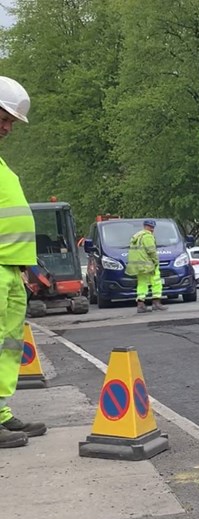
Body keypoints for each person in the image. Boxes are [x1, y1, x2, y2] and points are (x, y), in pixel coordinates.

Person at [0, 75, 48, 447]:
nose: (7, 128)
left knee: (8, 344)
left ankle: (0, 412)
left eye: (10, 122)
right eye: (4, 118)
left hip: (10, 268)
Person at [127, 219, 166, 313]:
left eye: (153, 227)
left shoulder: (137, 237)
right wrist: (156, 261)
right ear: (146, 226)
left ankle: (140, 305)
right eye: (151, 227)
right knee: (156, 282)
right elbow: (151, 251)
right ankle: (156, 303)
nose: (152, 229)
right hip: (149, 264)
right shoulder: (147, 237)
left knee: (142, 284)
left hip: (139, 266)